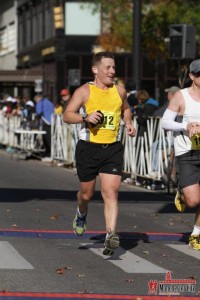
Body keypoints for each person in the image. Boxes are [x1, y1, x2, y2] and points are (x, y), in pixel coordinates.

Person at [63, 51, 136, 256]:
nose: (112, 71)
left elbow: (126, 108)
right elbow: (67, 115)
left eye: (114, 67)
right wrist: (85, 117)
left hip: (112, 148)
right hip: (88, 148)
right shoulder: (84, 91)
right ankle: (81, 211)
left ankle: (110, 236)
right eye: (108, 67)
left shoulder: (120, 91)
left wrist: (128, 123)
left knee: (110, 192)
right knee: (86, 194)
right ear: (95, 69)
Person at [162, 58, 200, 251]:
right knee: (193, 200)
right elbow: (165, 122)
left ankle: (196, 233)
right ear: (192, 76)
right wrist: (186, 125)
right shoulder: (181, 96)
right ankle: (182, 190)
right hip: (187, 153)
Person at [34, 93, 55, 159]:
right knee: (51, 138)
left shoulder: (40, 103)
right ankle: (50, 152)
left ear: (38, 98)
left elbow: (39, 112)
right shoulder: (49, 102)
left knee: (46, 139)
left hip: (46, 122)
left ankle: (49, 153)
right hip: (53, 122)